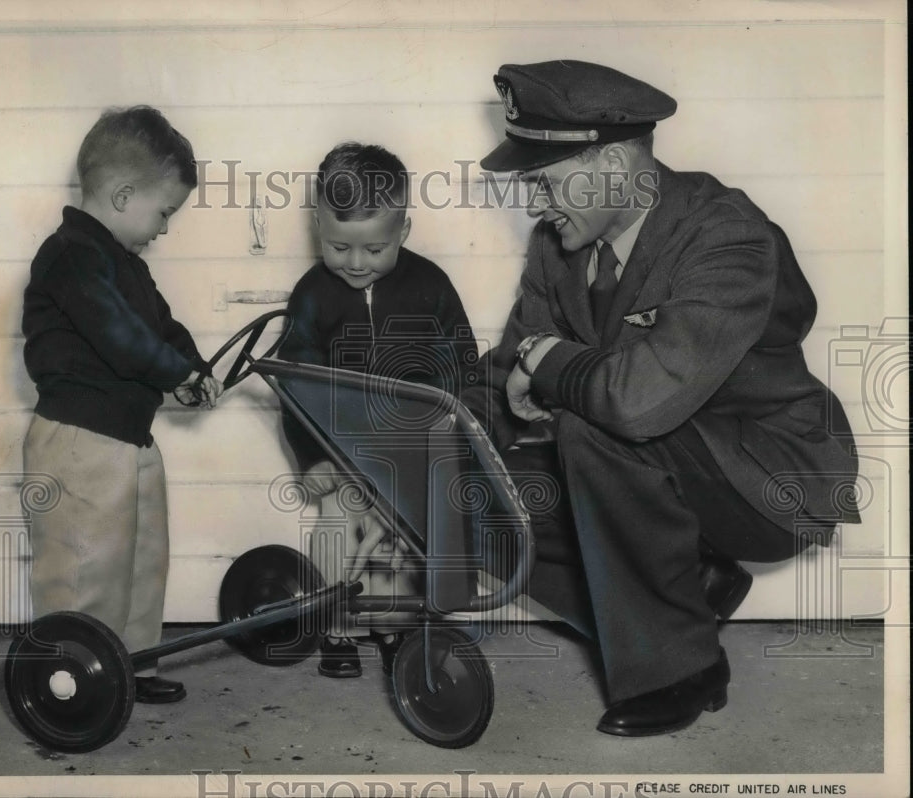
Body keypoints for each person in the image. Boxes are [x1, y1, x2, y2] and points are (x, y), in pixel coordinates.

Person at [465, 60, 861, 736]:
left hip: (769, 477)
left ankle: (677, 668)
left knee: (596, 425)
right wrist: (416, 451)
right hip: (664, 474)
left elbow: (639, 403)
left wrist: (547, 359)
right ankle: (686, 594)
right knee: (471, 507)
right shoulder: (557, 248)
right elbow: (502, 373)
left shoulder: (728, 237)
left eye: (544, 182)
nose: (533, 204)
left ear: (616, 163)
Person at [21, 106, 223, 704]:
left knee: (139, 560)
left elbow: (161, 327)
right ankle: (69, 687)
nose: (165, 228)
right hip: (80, 442)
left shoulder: (125, 265)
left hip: (130, 437)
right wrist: (172, 370)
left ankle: (131, 664)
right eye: (164, 213)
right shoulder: (70, 256)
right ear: (123, 193)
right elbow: (120, 337)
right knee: (85, 568)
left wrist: (196, 367)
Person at [278, 142, 477, 678]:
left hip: (411, 450)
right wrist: (309, 458)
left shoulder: (429, 285)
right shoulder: (313, 294)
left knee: (401, 543)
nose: (356, 264)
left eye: (374, 249)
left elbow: (460, 365)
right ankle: (337, 629)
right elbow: (293, 384)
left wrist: (435, 439)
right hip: (340, 451)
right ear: (317, 223)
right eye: (338, 246)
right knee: (338, 527)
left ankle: (394, 628)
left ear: (404, 230)